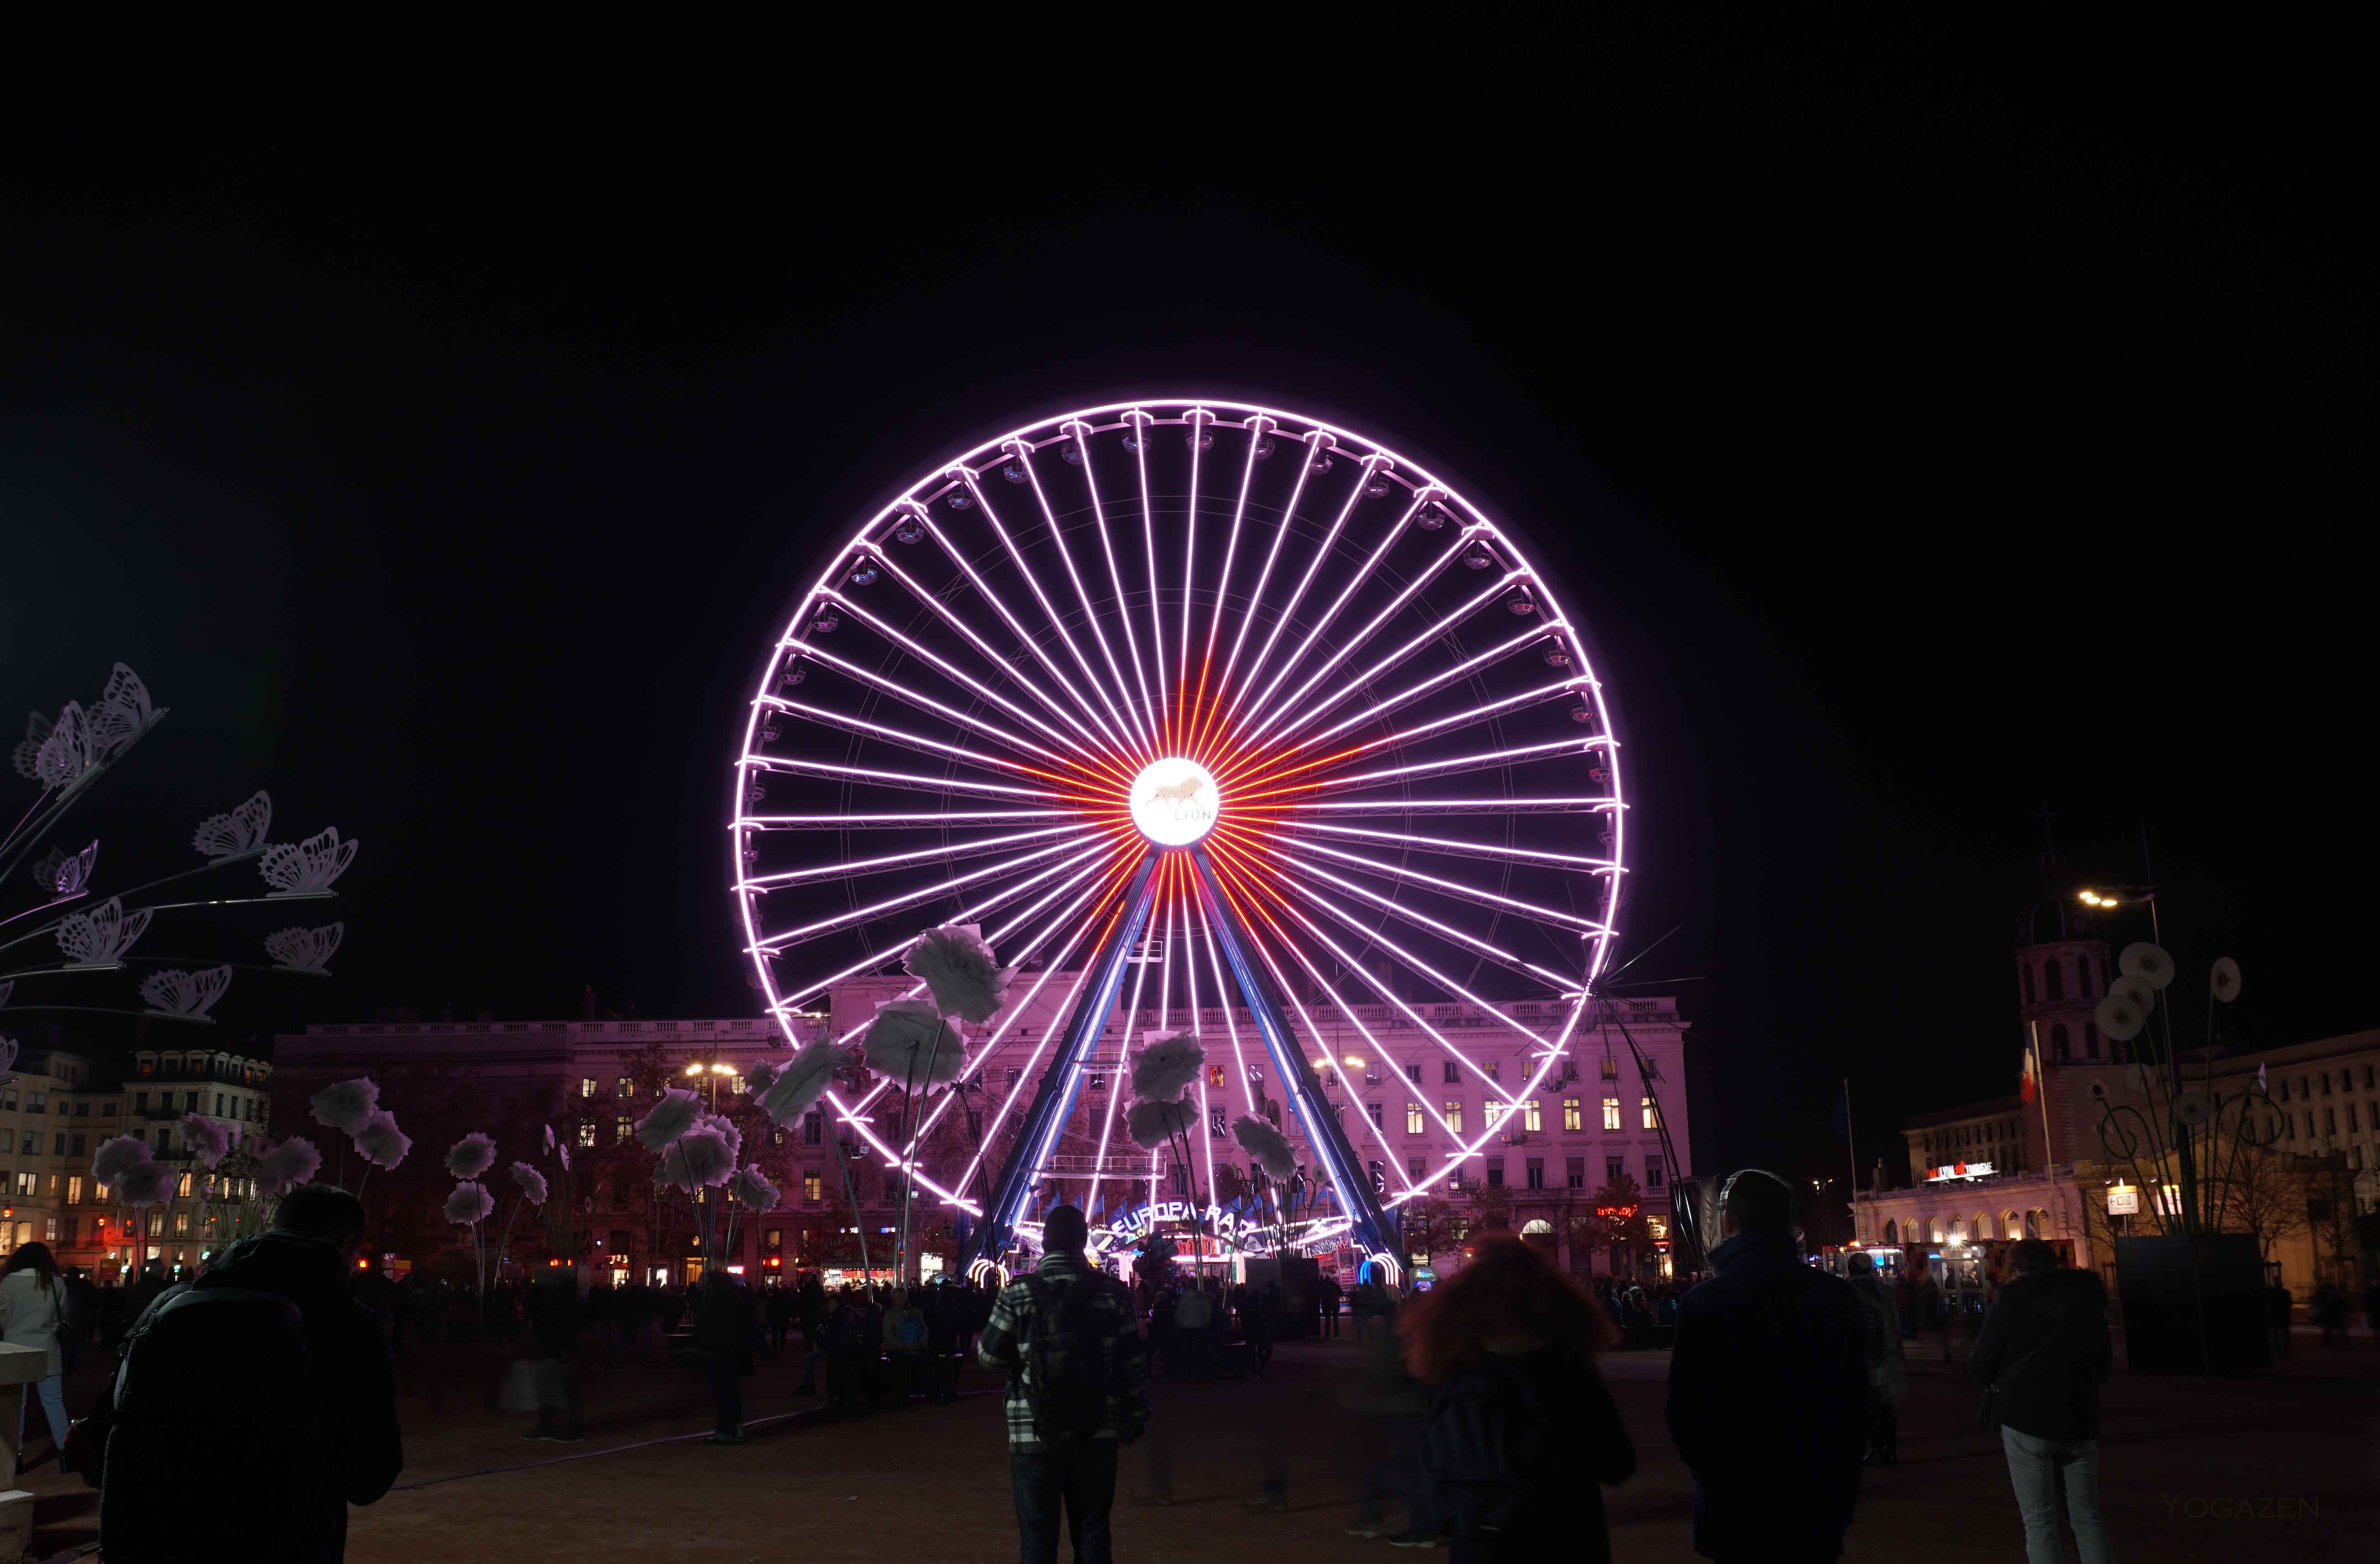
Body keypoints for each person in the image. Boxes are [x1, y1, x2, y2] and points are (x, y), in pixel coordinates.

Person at [100, 1182, 403, 1563]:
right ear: (346, 1242)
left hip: (150, 1538)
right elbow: (370, 1474)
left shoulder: (172, 1304)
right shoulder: (349, 1324)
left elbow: (108, 1429)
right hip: (281, 1541)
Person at [1666, 1169, 1867, 1564]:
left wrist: (1713, 1475)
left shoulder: (1704, 1303)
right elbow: (1853, 1403)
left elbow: (1684, 1410)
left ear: (1728, 1222)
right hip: (1815, 1493)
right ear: (1788, 1222)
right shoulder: (1835, 1298)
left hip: (1734, 1498)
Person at [1405, 1236, 1634, 1561]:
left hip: (1484, 1546)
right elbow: (1618, 1464)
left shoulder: (1453, 1380)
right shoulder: (1569, 1373)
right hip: (1568, 1540)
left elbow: (1437, 1485)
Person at [978, 1204, 1149, 1564]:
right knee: (1093, 1533)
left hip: (1032, 1430)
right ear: (1084, 1241)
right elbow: (1133, 1365)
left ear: (1045, 1241)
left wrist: (1025, 1358)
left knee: (1038, 1541)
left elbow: (989, 1358)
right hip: (1098, 1428)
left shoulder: (1019, 1293)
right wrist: (1134, 1415)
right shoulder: (1114, 1294)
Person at [1970, 1239, 2112, 1564]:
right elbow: (2104, 1366)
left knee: (2040, 1522)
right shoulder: (2086, 1301)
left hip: (2026, 1419)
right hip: (2081, 1418)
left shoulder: (2009, 1305)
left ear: (2016, 1269)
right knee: (2088, 1518)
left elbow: (1981, 1368)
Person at [0, 1242, 74, 1468]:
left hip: (16, 1348)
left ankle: (17, 1455)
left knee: (16, 1405)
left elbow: (2, 1316)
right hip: (47, 1348)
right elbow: (62, 1314)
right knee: (53, 1403)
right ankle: (65, 1452)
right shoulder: (55, 1283)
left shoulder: (8, 1283)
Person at [1843, 1253, 1906, 1465]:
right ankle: (1890, 1449)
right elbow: (1896, 1326)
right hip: (1885, 1358)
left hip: (1857, 1362)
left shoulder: (1842, 1291)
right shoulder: (1885, 1291)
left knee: (1865, 1408)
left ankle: (1874, 1448)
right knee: (1886, 1407)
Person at [693, 1269, 755, 1445]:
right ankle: (736, 1429)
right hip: (731, 1353)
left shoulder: (720, 1302)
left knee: (724, 1394)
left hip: (723, 1353)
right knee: (731, 1393)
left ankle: (725, 1431)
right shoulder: (736, 1300)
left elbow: (715, 1329)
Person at [883, 1287, 928, 1398]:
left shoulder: (916, 1312)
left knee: (926, 1361)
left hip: (916, 1346)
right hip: (898, 1348)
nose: (894, 1302)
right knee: (900, 1363)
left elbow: (925, 1330)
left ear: (904, 1299)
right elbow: (888, 1334)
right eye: (893, 1299)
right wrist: (903, 1346)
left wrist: (920, 1344)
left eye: (896, 1299)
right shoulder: (890, 1314)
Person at [2265, 1277, 2293, 1360]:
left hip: (2276, 1316)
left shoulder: (2271, 1293)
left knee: (2277, 1336)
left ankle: (2280, 1353)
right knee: (2284, 1336)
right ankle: (2285, 1353)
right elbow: (2289, 1304)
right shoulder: (2285, 1293)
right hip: (2283, 1316)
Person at [1318, 1271, 1343, 1339]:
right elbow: (1341, 1294)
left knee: (1327, 1320)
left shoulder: (1324, 1285)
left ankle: (1327, 1334)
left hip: (1327, 1305)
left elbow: (1320, 1295)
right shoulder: (1335, 1285)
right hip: (1335, 1304)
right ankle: (1336, 1334)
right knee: (1336, 1320)